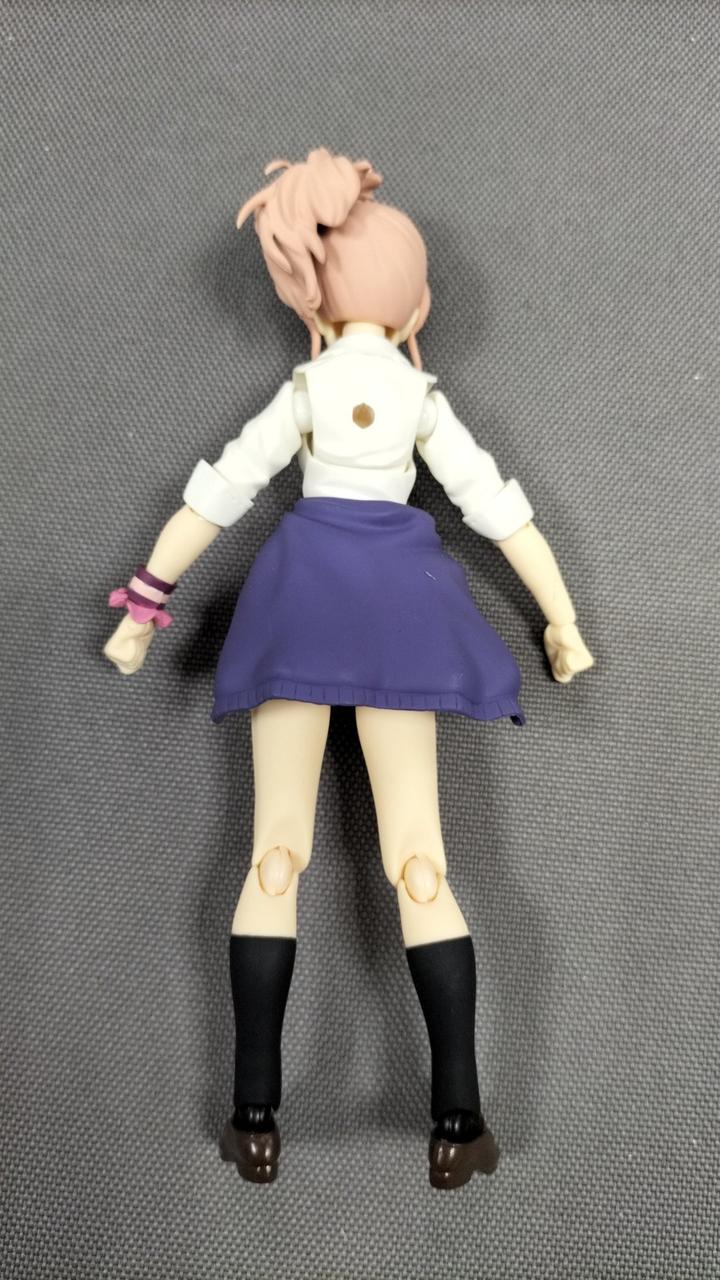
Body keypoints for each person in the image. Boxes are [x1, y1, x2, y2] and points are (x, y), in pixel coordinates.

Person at [104, 147, 594, 1189]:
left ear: (313, 294)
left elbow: (219, 492)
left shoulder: (307, 389)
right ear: (415, 302)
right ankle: (458, 1120)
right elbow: (499, 511)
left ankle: (254, 1116)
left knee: (272, 856)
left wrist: (145, 601)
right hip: (399, 615)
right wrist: (562, 620)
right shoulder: (420, 401)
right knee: (421, 861)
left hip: (299, 608)